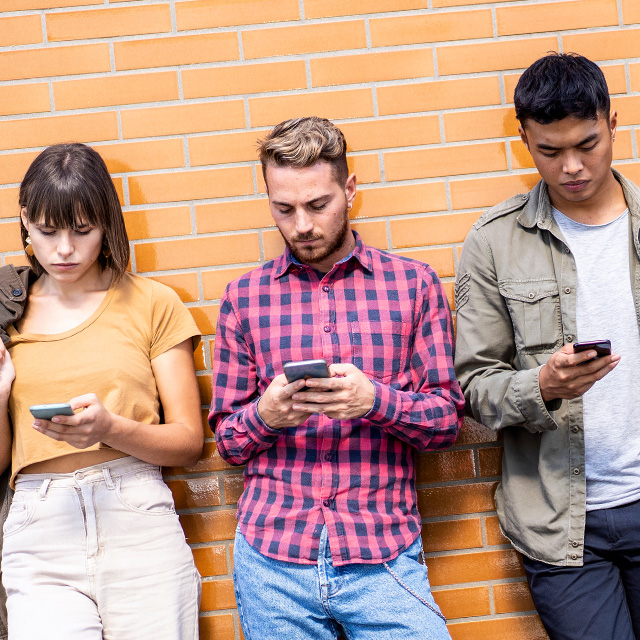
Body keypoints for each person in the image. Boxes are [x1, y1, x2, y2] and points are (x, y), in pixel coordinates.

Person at [210, 116, 465, 640]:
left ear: (350, 190)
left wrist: (375, 400)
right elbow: (227, 442)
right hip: (273, 558)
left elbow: (446, 422)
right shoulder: (244, 298)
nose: (302, 224)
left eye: (317, 205)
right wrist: (267, 415)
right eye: (284, 209)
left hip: (382, 553)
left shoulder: (413, 286)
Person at [455, 53, 640, 640]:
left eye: (587, 144)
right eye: (550, 151)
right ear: (524, 140)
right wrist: (541, 387)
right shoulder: (492, 243)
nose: (573, 167)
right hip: (563, 528)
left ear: (614, 122)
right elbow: (473, 386)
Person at [0, 143, 203, 640]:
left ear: (107, 222)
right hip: (39, 524)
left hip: (136, 514)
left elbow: (189, 442)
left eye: (82, 230)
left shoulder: (153, 302)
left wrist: (111, 428)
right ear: (25, 221)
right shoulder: (6, 311)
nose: (64, 249)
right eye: (48, 231)